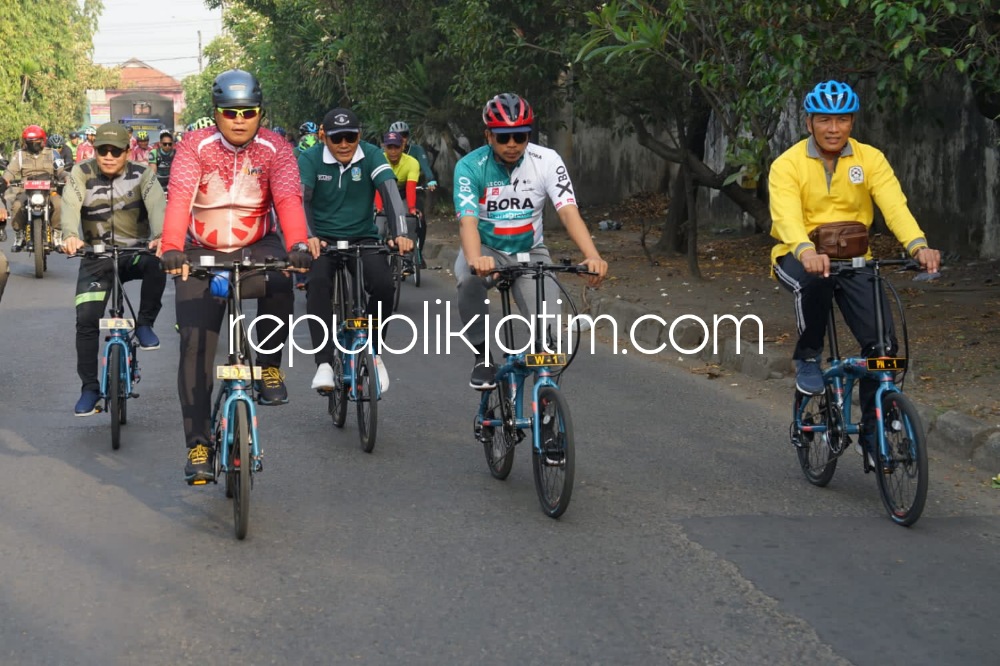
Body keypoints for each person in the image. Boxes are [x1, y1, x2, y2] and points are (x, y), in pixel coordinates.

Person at [769, 79, 941, 449]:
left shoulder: (870, 159)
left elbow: (894, 206)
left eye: (842, 119)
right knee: (813, 282)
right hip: (798, 255)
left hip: (855, 259)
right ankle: (808, 358)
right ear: (809, 123)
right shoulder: (787, 165)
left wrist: (918, 246)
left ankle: (872, 428)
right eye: (824, 120)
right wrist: (806, 251)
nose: (834, 129)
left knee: (883, 348)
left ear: (852, 122)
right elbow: (786, 217)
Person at [159, 69, 312, 484]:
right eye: (230, 112)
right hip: (200, 250)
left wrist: (299, 243)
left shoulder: (277, 148)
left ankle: (269, 366)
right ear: (216, 113)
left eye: (248, 111)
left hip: (256, 244)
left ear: (261, 112)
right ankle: (198, 445)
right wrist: (172, 246)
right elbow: (179, 199)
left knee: (282, 279)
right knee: (195, 347)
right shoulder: (194, 145)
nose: (239, 119)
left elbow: (288, 199)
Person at [453, 93, 607, 389]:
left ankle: (546, 404)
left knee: (551, 347)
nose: (512, 144)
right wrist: (475, 260)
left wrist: (592, 256)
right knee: (467, 279)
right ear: (488, 136)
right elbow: (467, 221)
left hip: (530, 251)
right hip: (486, 249)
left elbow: (568, 211)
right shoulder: (470, 166)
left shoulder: (547, 160)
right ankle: (482, 357)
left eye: (520, 136)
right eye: (503, 137)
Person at [297, 107, 413, 391]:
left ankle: (374, 352)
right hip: (323, 239)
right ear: (324, 137)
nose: (344, 144)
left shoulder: (371, 155)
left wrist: (400, 233)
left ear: (359, 135)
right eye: (336, 138)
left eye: (350, 137)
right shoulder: (309, 159)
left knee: (384, 285)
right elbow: (301, 201)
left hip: (363, 237)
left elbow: (389, 192)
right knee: (317, 283)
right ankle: (324, 363)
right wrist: (309, 237)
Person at [60, 123, 167, 416]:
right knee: (86, 321)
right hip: (96, 258)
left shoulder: (143, 174)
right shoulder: (81, 172)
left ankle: (144, 324)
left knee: (158, 263)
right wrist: (70, 234)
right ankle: (89, 388)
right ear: (94, 150)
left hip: (134, 254)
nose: (108, 156)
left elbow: (157, 205)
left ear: (127, 152)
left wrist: (160, 236)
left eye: (115, 151)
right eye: (102, 150)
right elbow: (70, 204)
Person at [2, 125, 65, 252]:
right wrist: (5, 180)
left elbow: (61, 171)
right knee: (16, 206)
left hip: (49, 190)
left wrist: (65, 177)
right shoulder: (20, 156)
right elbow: (10, 172)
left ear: (43, 140)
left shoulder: (53, 153)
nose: (33, 144)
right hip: (26, 191)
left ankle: (57, 235)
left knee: (59, 204)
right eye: (30, 142)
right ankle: (19, 235)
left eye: (36, 141)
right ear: (25, 142)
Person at [389, 120, 438, 266]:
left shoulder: (416, 151)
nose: (401, 139)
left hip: (411, 190)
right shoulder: (385, 153)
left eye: (404, 135)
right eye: (398, 135)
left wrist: (431, 179)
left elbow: (425, 167)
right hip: (390, 189)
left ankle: (418, 252)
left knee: (419, 219)